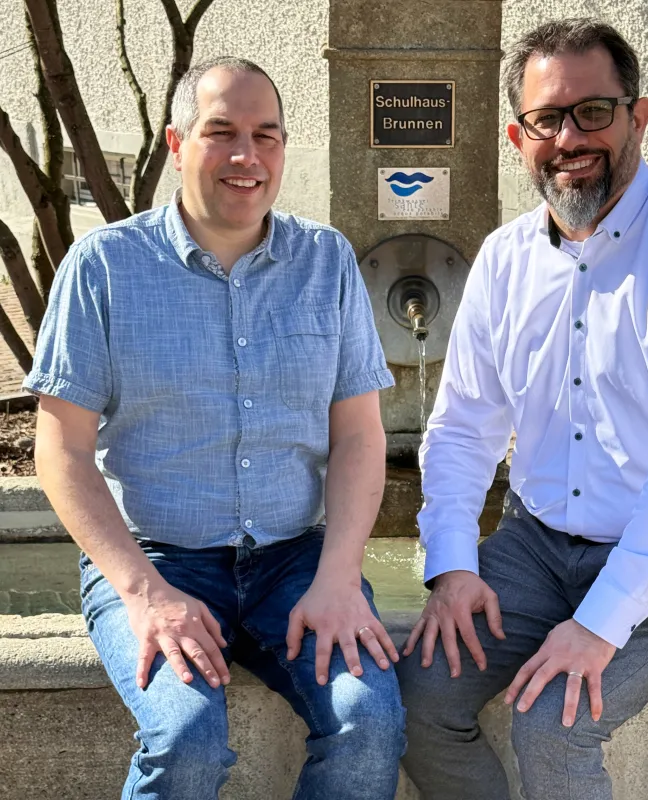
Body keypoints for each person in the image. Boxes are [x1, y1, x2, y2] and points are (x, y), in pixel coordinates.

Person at [396, 18, 648, 800]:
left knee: (555, 724)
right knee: (417, 699)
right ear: (517, 135)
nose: (570, 136)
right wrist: (454, 564)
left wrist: (601, 623)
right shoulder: (503, 258)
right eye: (547, 119)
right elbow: (465, 423)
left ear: (639, 115)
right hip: (535, 547)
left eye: (593, 111)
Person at [27, 57, 405, 800]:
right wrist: (143, 591)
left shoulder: (324, 260)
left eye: (266, 135)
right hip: (158, 558)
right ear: (175, 144)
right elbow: (61, 449)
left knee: (370, 723)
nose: (247, 156)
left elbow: (361, 434)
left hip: (297, 557)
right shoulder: (103, 266)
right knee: (186, 738)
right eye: (221, 132)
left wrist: (338, 575)